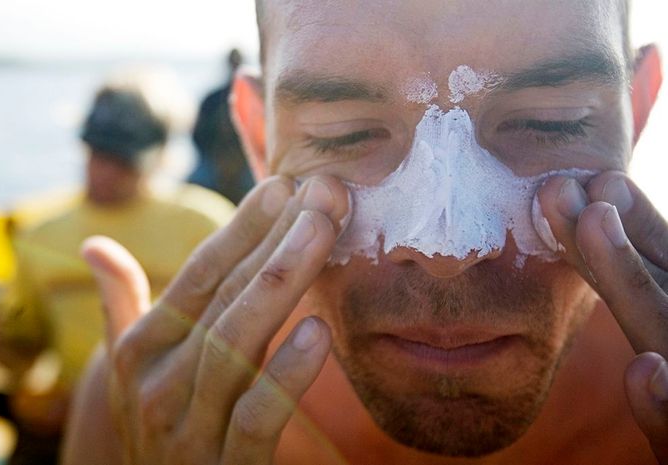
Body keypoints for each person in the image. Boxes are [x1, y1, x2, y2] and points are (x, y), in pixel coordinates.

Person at [63, 1, 668, 463]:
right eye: (344, 133)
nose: (447, 248)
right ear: (257, 138)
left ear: (636, 114)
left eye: (549, 124)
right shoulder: (156, 404)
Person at [0, 70, 235, 465]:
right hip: (66, 419)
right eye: (98, 153)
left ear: (160, 154)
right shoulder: (39, 236)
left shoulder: (208, 225)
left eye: (122, 160)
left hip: (181, 422)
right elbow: (25, 345)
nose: (105, 171)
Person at [188, 48, 256, 204]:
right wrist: (219, 160)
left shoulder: (254, 97)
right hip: (214, 160)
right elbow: (198, 135)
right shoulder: (212, 99)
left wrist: (239, 161)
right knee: (193, 185)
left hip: (245, 161)